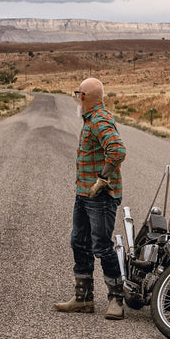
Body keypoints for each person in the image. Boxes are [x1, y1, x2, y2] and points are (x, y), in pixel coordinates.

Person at [52, 77, 128, 320]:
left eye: (78, 94)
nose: (77, 98)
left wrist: (102, 179)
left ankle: (116, 300)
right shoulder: (91, 119)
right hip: (84, 193)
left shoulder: (98, 119)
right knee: (79, 242)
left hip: (100, 196)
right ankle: (83, 299)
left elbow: (117, 150)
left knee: (102, 246)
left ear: (83, 96)